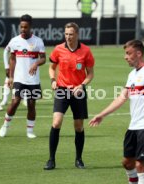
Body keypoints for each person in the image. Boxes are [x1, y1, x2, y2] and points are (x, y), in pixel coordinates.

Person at [89, 40, 144, 184]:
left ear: (138, 53)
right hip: (134, 125)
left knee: (141, 163)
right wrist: (102, 114)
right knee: (127, 162)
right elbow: (121, 98)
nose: (125, 57)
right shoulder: (132, 74)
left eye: (128, 53)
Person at [43, 22, 95, 170]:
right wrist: (53, 80)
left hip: (78, 91)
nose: (68, 37)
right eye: (66, 34)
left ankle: (79, 159)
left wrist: (82, 85)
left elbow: (90, 73)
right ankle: (51, 160)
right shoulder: (58, 49)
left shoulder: (86, 51)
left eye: (71, 34)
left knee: (78, 127)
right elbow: (52, 68)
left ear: (77, 34)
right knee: (56, 122)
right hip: (61, 90)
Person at [0, 14, 46, 139]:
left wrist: (36, 63)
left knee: (31, 105)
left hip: (33, 80)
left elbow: (44, 59)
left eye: (25, 27)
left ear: (30, 27)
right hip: (19, 78)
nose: (23, 29)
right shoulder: (15, 41)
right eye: (21, 27)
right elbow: (12, 59)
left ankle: (30, 131)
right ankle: (5, 126)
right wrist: (10, 77)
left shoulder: (38, 41)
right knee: (15, 102)